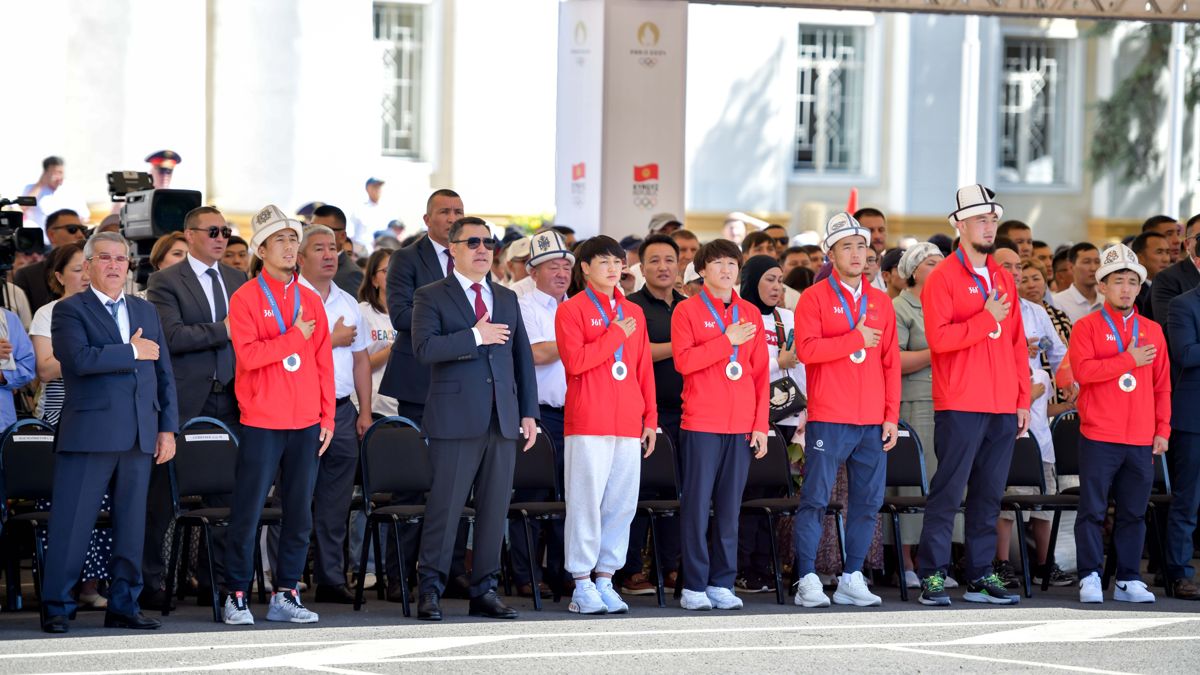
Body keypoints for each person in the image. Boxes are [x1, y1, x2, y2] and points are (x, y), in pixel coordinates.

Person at [40, 231, 178, 634]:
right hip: (90, 433)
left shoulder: (144, 310)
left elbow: (163, 371)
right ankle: (57, 605)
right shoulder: (70, 310)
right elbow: (78, 360)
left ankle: (123, 604)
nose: (115, 265)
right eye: (105, 258)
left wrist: (167, 428)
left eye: (121, 259)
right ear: (88, 265)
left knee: (132, 525)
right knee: (72, 523)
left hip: (139, 433)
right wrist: (131, 352)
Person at [410, 216, 539, 621]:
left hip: (502, 419)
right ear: (453, 250)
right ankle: (429, 588)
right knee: (445, 509)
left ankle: (484, 590)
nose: (483, 249)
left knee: (494, 509)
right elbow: (424, 349)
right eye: (473, 242)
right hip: (454, 418)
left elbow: (521, 360)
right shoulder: (432, 295)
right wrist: (474, 336)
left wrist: (529, 413)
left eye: (488, 242)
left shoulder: (505, 297)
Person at [221, 205, 334, 626]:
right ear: (262, 249)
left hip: (305, 420)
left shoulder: (309, 298)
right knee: (248, 511)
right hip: (262, 419)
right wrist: (292, 338)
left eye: (292, 239)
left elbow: (324, 361)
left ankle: (286, 592)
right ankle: (235, 593)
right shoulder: (246, 296)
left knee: (299, 512)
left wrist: (327, 416)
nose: (290, 247)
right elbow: (248, 357)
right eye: (280, 240)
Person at [917, 185, 1029, 607]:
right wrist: (984, 320)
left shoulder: (1002, 276)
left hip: (1002, 403)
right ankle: (932, 575)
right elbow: (940, 340)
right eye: (981, 219)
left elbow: (1016, 340)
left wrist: (1022, 398)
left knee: (988, 494)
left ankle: (980, 575)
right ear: (960, 225)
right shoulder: (942, 276)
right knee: (948, 491)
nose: (989, 226)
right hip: (961, 401)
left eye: (993, 219)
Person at [791, 214, 898, 608]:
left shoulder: (880, 301)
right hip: (829, 415)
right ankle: (807, 578)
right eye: (847, 247)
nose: (857, 254)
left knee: (868, 503)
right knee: (815, 500)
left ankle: (852, 576)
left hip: (872, 419)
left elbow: (890, 362)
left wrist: (890, 415)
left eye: (862, 247)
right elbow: (807, 350)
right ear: (830, 254)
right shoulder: (814, 298)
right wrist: (852, 338)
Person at [142, 206, 246, 608]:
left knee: (225, 497)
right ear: (189, 235)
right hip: (184, 402)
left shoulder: (238, 278)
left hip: (232, 400)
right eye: (213, 231)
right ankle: (152, 582)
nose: (221, 238)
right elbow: (170, 336)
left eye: (226, 231)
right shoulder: (165, 280)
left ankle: (214, 583)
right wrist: (224, 331)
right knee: (163, 500)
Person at [555, 235, 657, 615]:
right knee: (586, 503)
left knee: (621, 505)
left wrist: (651, 417)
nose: (614, 269)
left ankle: (605, 578)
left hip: (629, 420)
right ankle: (581, 583)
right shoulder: (572, 310)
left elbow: (643, 367)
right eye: (604, 262)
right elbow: (576, 362)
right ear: (584, 268)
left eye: (618, 262)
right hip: (588, 420)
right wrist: (615, 333)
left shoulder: (634, 312)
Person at [378, 188, 467, 602]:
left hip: (464, 381)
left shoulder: (471, 255)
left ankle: (447, 571)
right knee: (412, 485)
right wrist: (457, 329)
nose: (452, 218)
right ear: (428, 218)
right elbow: (399, 315)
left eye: (458, 212)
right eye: (444, 212)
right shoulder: (408, 259)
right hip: (419, 381)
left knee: (456, 483)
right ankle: (399, 575)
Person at [671, 238, 769, 611]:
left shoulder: (750, 313)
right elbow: (684, 361)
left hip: (742, 424)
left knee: (730, 508)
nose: (726, 270)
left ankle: (722, 582)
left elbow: (760, 375)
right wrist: (724, 340)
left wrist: (760, 425)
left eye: (732, 264)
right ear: (702, 271)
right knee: (696, 506)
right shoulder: (688, 312)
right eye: (717, 264)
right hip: (701, 422)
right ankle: (694, 585)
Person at [1071, 243, 1170, 603]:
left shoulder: (1152, 330)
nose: (1125, 288)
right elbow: (1084, 372)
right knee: (1093, 510)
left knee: (1133, 511)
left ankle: (1128, 578)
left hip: (1141, 436)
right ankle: (1090, 575)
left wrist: (1163, 429)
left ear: (1139, 287)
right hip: (1099, 433)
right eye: (1117, 282)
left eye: (1132, 282)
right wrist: (1127, 359)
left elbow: (1162, 385)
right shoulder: (1086, 327)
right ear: (1103, 287)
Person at [297, 224, 374, 605]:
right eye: (319, 248)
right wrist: (331, 339)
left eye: (334, 248)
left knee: (336, 501)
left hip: (343, 410)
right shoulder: (290, 297)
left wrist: (366, 412)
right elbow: (287, 353)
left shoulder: (347, 301)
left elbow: (360, 359)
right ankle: (289, 579)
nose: (329, 255)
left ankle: (330, 577)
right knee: (294, 497)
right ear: (300, 256)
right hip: (299, 410)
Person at [30, 243, 110, 609]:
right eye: (76, 269)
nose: (83, 275)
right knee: (66, 502)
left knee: (102, 503)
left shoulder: (105, 309)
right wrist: (92, 357)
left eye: (86, 267)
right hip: (61, 413)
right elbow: (45, 369)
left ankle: (92, 585)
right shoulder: (50, 313)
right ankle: (61, 587)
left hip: (104, 412)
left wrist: (93, 356)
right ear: (58, 276)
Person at [992, 241, 1073, 589]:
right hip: (1003, 415)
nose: (1013, 273)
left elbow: (1059, 353)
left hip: (1037, 419)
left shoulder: (1035, 311)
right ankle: (1001, 563)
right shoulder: (986, 309)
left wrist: (1068, 383)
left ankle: (1044, 563)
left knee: (1045, 496)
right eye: (1005, 266)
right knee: (1005, 502)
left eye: (1017, 268)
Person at [737, 254, 805, 594]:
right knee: (749, 496)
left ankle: (765, 563)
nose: (777, 287)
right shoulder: (741, 317)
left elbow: (801, 366)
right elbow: (741, 364)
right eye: (769, 279)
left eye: (780, 280)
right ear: (751, 280)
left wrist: (804, 414)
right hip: (751, 415)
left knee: (776, 495)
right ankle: (743, 566)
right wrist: (777, 361)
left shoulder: (787, 317)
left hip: (786, 416)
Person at [622, 234, 685, 595]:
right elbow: (636, 352)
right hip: (645, 413)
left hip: (687, 412)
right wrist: (683, 348)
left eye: (669, 260)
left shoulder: (690, 306)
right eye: (655, 261)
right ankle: (631, 570)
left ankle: (670, 566)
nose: (663, 267)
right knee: (638, 491)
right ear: (641, 267)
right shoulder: (631, 307)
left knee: (677, 492)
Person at [511, 231, 573, 599]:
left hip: (577, 414)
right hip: (537, 414)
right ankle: (525, 573)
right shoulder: (523, 305)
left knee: (570, 496)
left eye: (566, 266)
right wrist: (584, 343)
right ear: (533, 272)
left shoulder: (577, 306)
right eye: (553, 266)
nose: (562, 273)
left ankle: (561, 571)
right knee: (531, 497)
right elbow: (537, 353)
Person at [891, 242, 948, 587]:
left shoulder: (948, 305)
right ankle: (907, 562)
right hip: (916, 401)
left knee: (944, 481)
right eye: (931, 263)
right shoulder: (901, 306)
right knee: (916, 482)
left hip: (948, 399)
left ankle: (937, 560)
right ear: (913, 271)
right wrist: (938, 351)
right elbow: (894, 361)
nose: (940, 267)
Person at [1166, 275, 1200, 600]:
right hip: (1194, 417)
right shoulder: (1183, 303)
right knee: (1188, 500)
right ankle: (1179, 573)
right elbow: (1186, 355)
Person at [15, 209, 89, 313]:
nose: (80, 235)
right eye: (72, 229)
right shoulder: (27, 275)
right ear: (51, 235)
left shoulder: (95, 266)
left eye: (83, 229)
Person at [357, 249, 398, 417]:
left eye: (398, 268)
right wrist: (392, 350)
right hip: (374, 406)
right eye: (387, 270)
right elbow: (357, 365)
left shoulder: (415, 313)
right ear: (374, 279)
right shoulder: (362, 313)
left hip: (404, 404)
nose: (395, 274)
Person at [1151, 229, 1200, 344]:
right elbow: (1175, 338)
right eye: (1198, 236)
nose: (1176, 240)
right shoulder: (1167, 278)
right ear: (1187, 243)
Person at [21, 156, 90, 235]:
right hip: (43, 240)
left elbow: (84, 217)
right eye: (55, 173)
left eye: (61, 172)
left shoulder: (72, 188)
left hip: (68, 238)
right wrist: (40, 185)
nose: (59, 177)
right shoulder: (32, 189)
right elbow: (23, 207)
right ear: (45, 174)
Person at [311, 204, 363, 297]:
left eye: (323, 230)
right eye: (311, 228)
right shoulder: (304, 263)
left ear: (342, 236)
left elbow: (349, 310)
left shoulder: (350, 274)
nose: (314, 235)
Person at [1052, 243, 1103, 323]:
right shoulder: (1057, 303)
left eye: (1097, 262)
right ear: (1071, 267)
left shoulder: (1106, 301)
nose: (1093, 268)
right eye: (1086, 262)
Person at [1132, 231, 1172, 321]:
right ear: (1140, 258)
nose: (1166, 259)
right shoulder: (1131, 293)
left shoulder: (1174, 287)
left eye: (1167, 252)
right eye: (1159, 252)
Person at [348, 177, 389, 247]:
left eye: (379, 187)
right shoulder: (359, 209)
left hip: (382, 252)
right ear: (368, 189)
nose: (378, 189)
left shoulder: (387, 210)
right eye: (375, 186)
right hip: (362, 253)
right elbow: (350, 234)